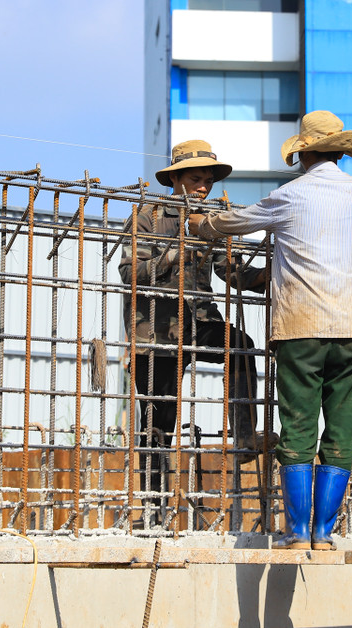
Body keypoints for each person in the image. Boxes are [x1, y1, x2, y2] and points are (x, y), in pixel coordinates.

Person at [188, 111, 352, 550]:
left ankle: (296, 531)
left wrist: (201, 225)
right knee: (341, 429)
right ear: (339, 152)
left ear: (304, 154)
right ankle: (323, 533)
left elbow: (235, 222)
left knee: (298, 426)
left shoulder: (290, 195)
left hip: (301, 327)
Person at [119, 140, 265, 527]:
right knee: (157, 423)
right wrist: (178, 250)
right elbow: (130, 273)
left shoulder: (211, 219)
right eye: (195, 179)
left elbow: (230, 271)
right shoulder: (147, 216)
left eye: (208, 181)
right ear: (175, 180)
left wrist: (264, 277)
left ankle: (245, 435)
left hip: (198, 322)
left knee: (241, 346)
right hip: (155, 331)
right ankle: (153, 509)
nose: (203, 187)